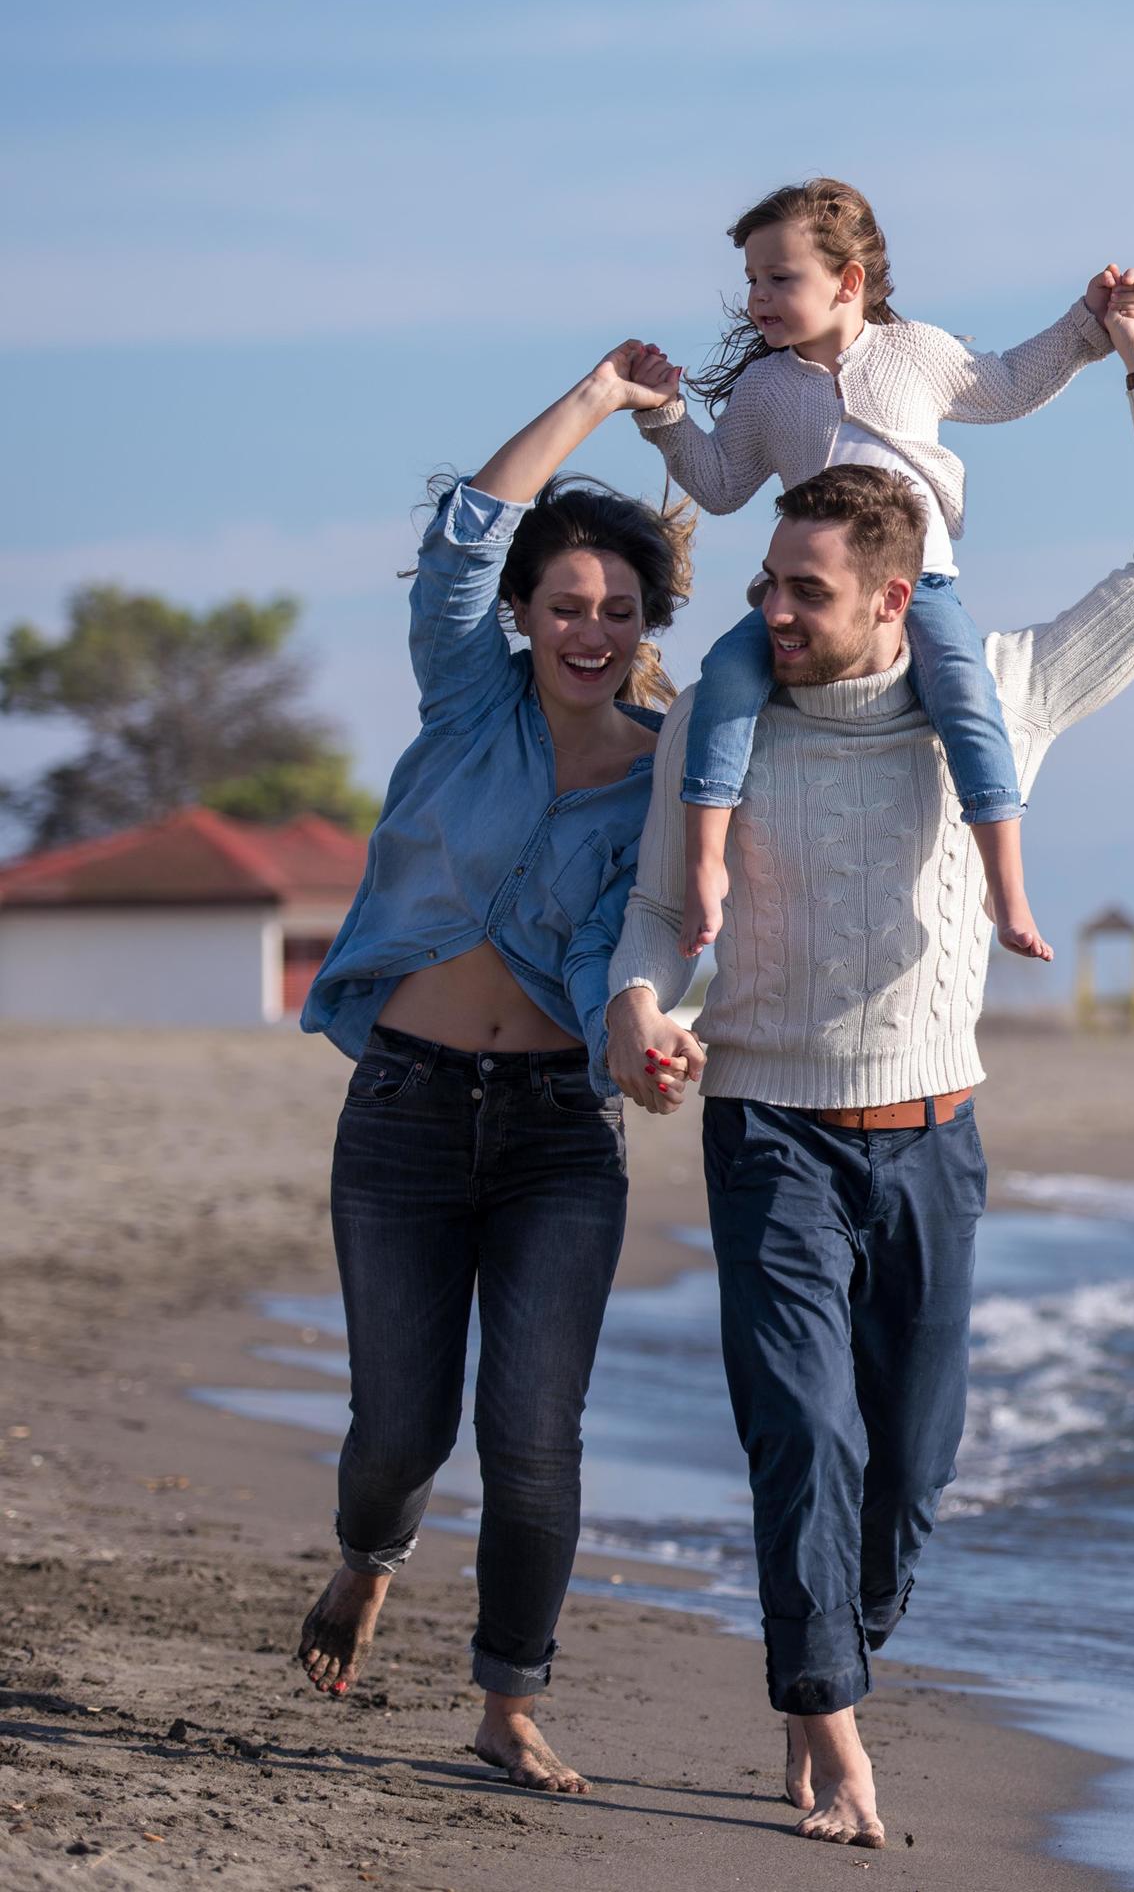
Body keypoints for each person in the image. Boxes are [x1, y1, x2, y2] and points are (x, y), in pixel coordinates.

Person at [603, 273, 1134, 1849]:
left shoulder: (999, 690)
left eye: (804, 592)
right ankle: (823, 1709)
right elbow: (667, 909)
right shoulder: (716, 732)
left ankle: (836, 1646)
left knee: (909, 1469)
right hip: (769, 1131)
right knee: (798, 1428)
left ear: (892, 598)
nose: (769, 613)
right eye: (767, 583)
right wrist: (636, 1005)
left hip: (935, 1135)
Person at [291, 344, 695, 1794]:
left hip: (553, 1138)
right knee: (400, 1424)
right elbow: (465, 532)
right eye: (564, 604)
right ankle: (367, 1557)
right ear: (523, 616)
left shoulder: (671, 778)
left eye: (618, 610)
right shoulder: (467, 705)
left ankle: (506, 1701)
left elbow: (630, 949)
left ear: (650, 623)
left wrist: (639, 1038)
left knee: (531, 1434)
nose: (589, 629)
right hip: (399, 1111)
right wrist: (596, 399)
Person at [619, 176, 1125, 966]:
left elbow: (1009, 384)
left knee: (965, 693)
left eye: (779, 278)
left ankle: (1007, 885)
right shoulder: (764, 389)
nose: (758, 297)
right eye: (752, 280)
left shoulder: (913, 353)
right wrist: (666, 417)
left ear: (848, 281)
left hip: (916, 586)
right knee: (724, 676)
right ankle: (706, 861)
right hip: (806, 596)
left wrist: (1086, 321)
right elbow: (719, 487)